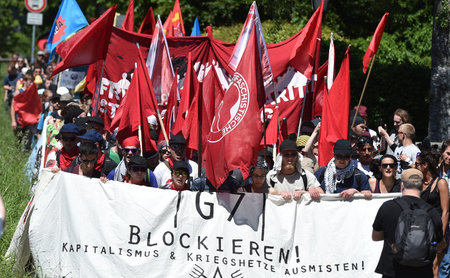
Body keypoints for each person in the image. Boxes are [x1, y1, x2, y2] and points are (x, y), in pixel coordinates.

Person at [372, 168, 444, 278]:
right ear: (422, 186)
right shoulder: (432, 212)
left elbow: (375, 237)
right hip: (422, 272)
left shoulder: (387, 207)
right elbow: (440, 246)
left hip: (392, 270)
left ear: (402, 185)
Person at [416, 151, 449, 277]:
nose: (415, 166)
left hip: (436, 231)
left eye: (417, 164)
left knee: (435, 266)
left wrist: (441, 235)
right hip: (421, 230)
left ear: (425, 165)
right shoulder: (418, 183)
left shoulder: (441, 183)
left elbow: (445, 211)